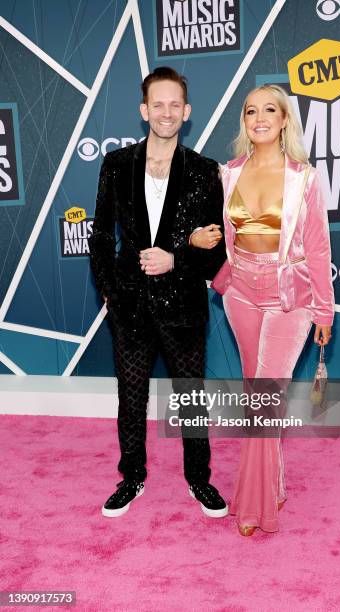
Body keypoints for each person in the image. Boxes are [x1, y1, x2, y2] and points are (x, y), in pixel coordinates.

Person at [191, 84, 334, 535]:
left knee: (264, 402)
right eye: (251, 110)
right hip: (241, 296)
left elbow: (318, 247)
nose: (259, 117)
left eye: (269, 109)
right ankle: (269, 488)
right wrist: (201, 242)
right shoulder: (228, 173)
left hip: (289, 296)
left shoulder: (305, 178)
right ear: (245, 122)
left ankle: (253, 507)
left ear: (284, 119)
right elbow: (219, 235)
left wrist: (324, 311)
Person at [89, 66, 227, 519]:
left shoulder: (206, 172)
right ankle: (131, 476)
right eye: (158, 104)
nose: (166, 113)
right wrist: (108, 289)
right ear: (144, 110)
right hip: (128, 305)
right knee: (130, 396)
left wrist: (175, 259)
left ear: (186, 112)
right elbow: (99, 237)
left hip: (183, 305)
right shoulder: (116, 165)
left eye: (175, 105)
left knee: (189, 394)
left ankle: (199, 479)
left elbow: (214, 249)